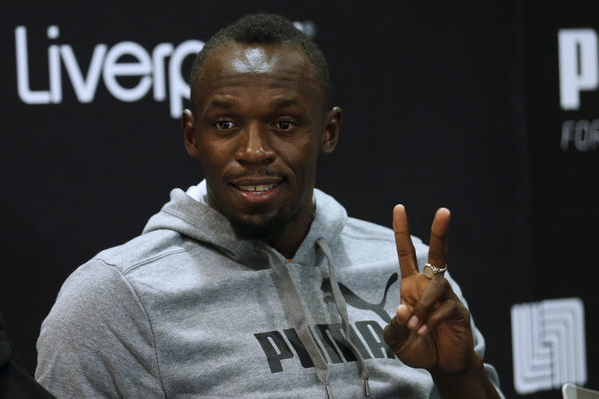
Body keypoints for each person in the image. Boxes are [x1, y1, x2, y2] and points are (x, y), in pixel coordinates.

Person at [36, 13, 504, 399]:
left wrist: (459, 375)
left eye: (284, 123)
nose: (254, 150)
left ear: (328, 131)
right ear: (191, 135)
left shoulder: (409, 273)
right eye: (225, 124)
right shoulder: (115, 300)